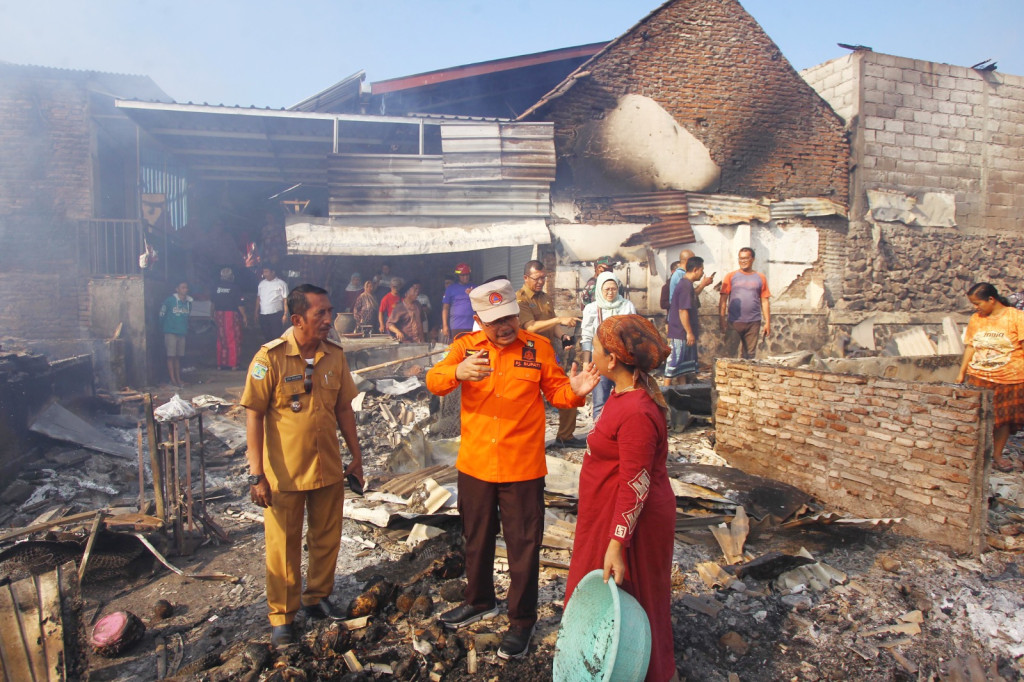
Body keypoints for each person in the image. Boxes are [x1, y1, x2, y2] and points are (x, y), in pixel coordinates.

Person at [426, 279, 599, 659]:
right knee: (476, 537)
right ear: (478, 321)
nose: (504, 328)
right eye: (494, 322)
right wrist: (457, 373)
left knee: (523, 546)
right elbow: (433, 380)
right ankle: (479, 600)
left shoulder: (538, 348)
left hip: (522, 467)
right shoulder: (465, 349)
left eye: (509, 318)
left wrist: (578, 389)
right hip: (475, 465)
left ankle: (521, 620)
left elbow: (557, 393)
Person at [241, 284, 364, 647]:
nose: (329, 320)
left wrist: (356, 456)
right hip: (284, 473)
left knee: (326, 537)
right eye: (320, 314)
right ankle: (282, 615)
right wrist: (255, 474)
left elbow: (344, 409)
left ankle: (317, 597)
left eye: (330, 312)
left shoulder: (334, 356)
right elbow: (254, 415)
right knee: (283, 544)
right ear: (297, 319)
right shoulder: (270, 359)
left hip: (327, 466)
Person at [564, 314, 676, 682]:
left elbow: (636, 483)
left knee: (634, 603)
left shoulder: (638, 412)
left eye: (595, 347)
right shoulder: (622, 394)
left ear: (612, 359)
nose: (590, 352)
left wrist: (616, 544)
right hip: (608, 515)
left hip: (630, 524)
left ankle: (641, 671)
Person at [517, 260, 586, 448]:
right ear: (525, 278)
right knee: (529, 402)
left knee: (568, 389)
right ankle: (527, 442)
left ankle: (566, 435)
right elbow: (530, 327)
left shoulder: (545, 298)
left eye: (543, 278)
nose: (541, 281)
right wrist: (559, 318)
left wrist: (563, 335)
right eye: (537, 278)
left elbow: (552, 324)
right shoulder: (521, 300)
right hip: (528, 356)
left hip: (549, 353)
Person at [956, 282, 1024, 472]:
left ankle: (997, 455)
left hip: (1010, 377)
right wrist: (961, 373)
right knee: (979, 417)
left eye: (978, 303)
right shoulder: (976, 319)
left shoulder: (1016, 317)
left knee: (1003, 419)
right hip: (979, 376)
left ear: (991, 300)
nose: (976, 308)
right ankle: (978, 455)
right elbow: (970, 346)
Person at [580, 272, 637, 422]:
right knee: (600, 400)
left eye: (614, 289)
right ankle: (598, 434)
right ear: (600, 289)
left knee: (626, 397)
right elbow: (586, 336)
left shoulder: (627, 306)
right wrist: (586, 361)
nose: (610, 292)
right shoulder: (592, 309)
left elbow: (634, 332)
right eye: (607, 289)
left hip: (622, 360)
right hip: (601, 360)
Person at [719, 247, 770, 360]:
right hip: (734, 322)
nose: (743, 261)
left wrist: (767, 322)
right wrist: (722, 320)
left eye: (746, 258)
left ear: (753, 259)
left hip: (753, 322)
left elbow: (765, 300)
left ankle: (746, 377)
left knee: (749, 355)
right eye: (741, 258)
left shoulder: (760, 277)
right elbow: (723, 300)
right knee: (729, 354)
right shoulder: (730, 276)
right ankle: (728, 377)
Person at [665, 257, 706, 385]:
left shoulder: (687, 285)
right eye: (701, 270)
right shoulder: (684, 286)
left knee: (683, 366)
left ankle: (683, 390)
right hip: (680, 332)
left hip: (684, 331)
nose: (702, 273)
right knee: (675, 362)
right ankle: (665, 390)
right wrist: (689, 332)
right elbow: (683, 310)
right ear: (695, 269)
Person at [212, 267, 248, 370]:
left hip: (218, 314)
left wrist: (212, 315)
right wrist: (244, 316)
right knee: (233, 339)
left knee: (221, 338)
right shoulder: (235, 288)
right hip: (230, 315)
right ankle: (233, 364)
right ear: (231, 276)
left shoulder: (216, 287)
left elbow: (213, 303)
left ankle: (220, 363)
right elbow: (240, 304)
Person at [160, 281, 192, 387]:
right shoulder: (170, 301)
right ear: (177, 289)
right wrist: (165, 327)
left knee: (178, 357)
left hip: (182, 332)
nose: (185, 290)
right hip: (171, 332)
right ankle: (173, 380)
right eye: (182, 288)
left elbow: (188, 317)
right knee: (171, 356)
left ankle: (178, 379)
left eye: (186, 288)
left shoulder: (188, 302)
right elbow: (162, 315)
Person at [442, 263, 476, 341]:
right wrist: (445, 325)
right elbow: (445, 308)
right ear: (458, 276)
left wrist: (473, 294)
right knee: (458, 349)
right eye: (463, 275)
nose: (465, 277)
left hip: (472, 324)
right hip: (456, 325)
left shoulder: (474, 288)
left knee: (471, 350)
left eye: (467, 275)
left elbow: (481, 304)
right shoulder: (450, 289)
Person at [257, 266, 289, 342]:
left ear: (273, 272)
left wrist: (285, 314)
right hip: (263, 314)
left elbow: (286, 300)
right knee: (266, 335)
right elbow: (258, 299)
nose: (264, 274)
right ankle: (269, 352)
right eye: (263, 272)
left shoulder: (281, 284)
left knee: (276, 336)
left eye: (266, 272)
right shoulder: (261, 284)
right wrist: (256, 312)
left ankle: (277, 353)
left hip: (276, 314)